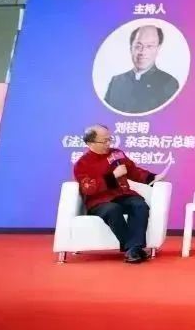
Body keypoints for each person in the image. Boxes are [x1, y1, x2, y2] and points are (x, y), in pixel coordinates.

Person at [72, 124, 169, 263]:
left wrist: (152, 178)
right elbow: (88, 188)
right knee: (113, 210)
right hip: (99, 201)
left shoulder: (116, 153)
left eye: (109, 139)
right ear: (90, 143)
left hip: (122, 194)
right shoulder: (82, 164)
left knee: (139, 205)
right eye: (104, 141)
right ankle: (134, 249)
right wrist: (112, 177)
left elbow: (133, 171)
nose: (108, 143)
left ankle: (133, 250)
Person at [104, 25, 180, 114]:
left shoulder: (169, 83)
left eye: (149, 46)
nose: (143, 52)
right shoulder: (116, 81)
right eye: (138, 46)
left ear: (158, 49)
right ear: (131, 48)